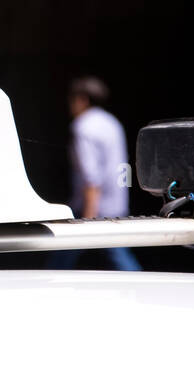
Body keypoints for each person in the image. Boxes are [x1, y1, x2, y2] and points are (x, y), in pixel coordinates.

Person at [55, 76, 140, 272]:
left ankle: (49, 287)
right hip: (115, 203)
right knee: (116, 254)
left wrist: (87, 219)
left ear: (82, 99)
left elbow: (90, 175)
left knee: (63, 256)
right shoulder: (112, 123)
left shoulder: (83, 126)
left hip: (93, 208)